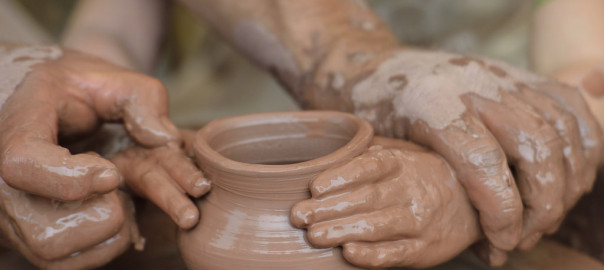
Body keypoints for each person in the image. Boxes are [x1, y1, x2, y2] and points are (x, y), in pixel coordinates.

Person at [0, 0, 601, 268]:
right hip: (198, 148)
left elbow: (586, 90)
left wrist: (476, 183)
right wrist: (87, 132)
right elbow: (109, 41)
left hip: (461, 126)